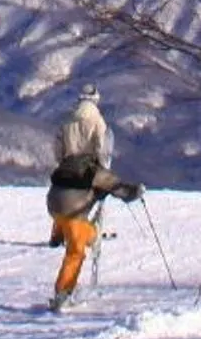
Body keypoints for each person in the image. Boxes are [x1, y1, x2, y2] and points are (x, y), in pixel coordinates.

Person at [42, 87, 138, 311]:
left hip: (54, 198)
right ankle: (63, 292)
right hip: (75, 205)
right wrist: (135, 192)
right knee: (76, 250)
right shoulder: (98, 122)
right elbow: (108, 165)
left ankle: (59, 234)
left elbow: (57, 149)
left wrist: (65, 161)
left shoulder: (66, 121)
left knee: (68, 219)